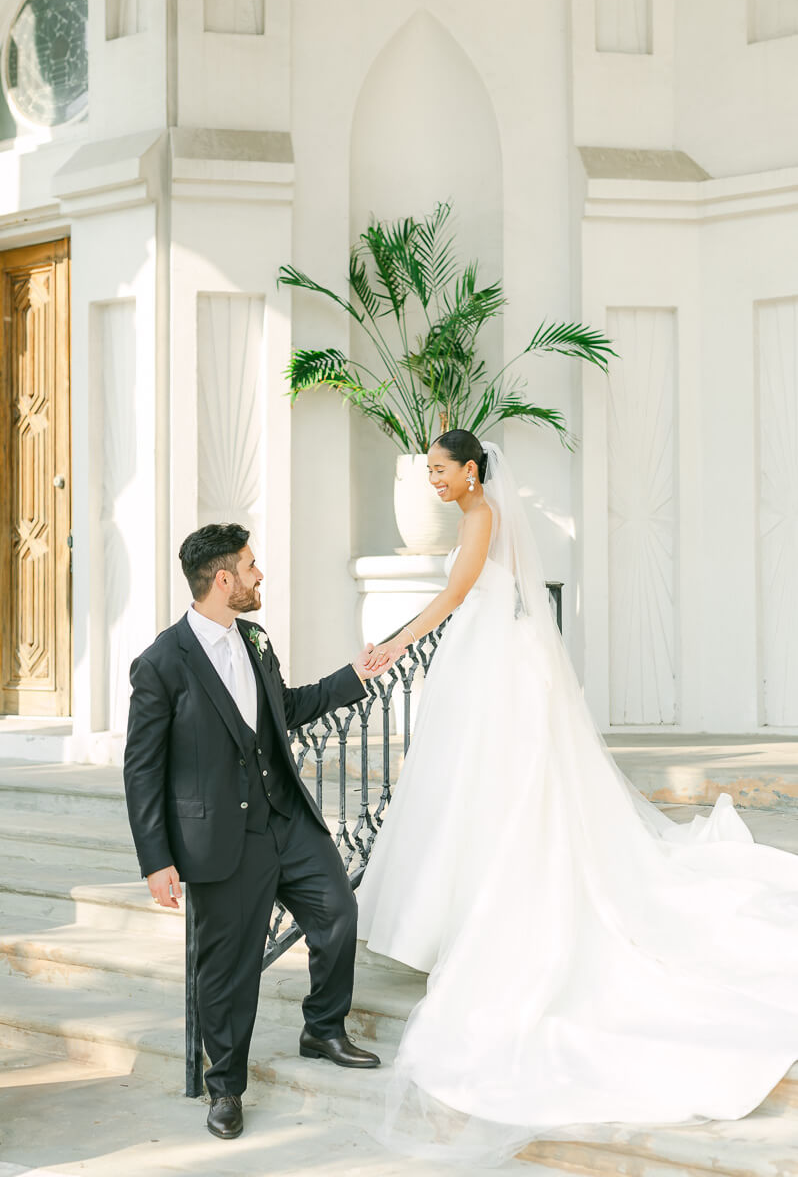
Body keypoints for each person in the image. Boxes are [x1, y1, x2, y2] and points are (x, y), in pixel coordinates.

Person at [357, 431, 798, 1165]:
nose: (432, 480)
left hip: (490, 658)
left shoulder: (480, 517)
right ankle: (456, 913)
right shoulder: (480, 514)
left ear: (471, 470)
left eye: (440, 469)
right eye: (428, 471)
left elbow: (456, 594)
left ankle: (481, 912)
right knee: (475, 788)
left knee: (496, 788)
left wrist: (396, 643)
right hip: (490, 654)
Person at [123, 523, 392, 1141]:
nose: (259, 574)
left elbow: (285, 710)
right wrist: (155, 857)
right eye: (250, 566)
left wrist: (356, 674)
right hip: (219, 839)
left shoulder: (257, 639)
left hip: (285, 819)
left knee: (337, 912)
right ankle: (225, 1088)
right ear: (223, 580)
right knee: (228, 970)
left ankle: (322, 1027)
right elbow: (141, 770)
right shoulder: (162, 662)